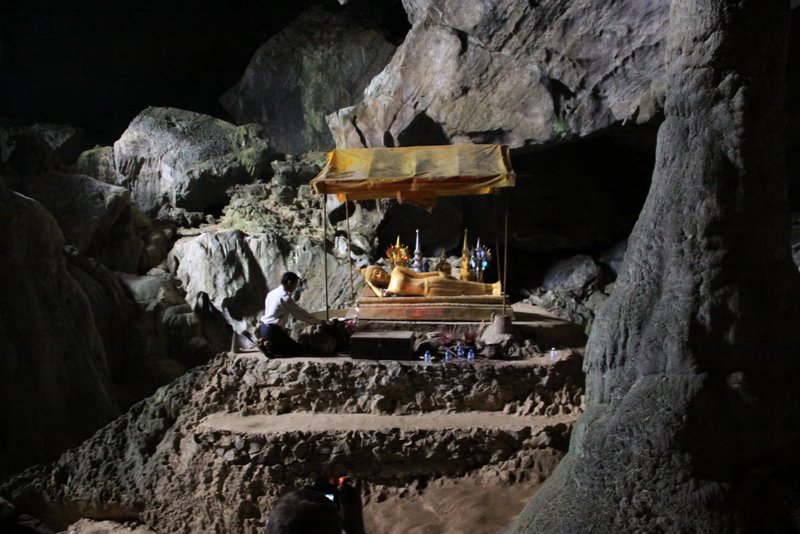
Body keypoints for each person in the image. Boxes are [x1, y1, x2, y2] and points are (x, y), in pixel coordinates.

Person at [259, 272, 323, 357]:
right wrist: (318, 322)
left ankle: (265, 341)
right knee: (296, 350)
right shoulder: (284, 297)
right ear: (289, 282)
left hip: (263, 328)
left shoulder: (271, 293)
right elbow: (300, 314)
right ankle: (270, 347)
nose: (295, 286)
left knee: (290, 345)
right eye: (295, 283)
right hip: (272, 331)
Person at [361, 265, 501, 297]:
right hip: (429, 292)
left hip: (430, 281)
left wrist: (436, 273)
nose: (378, 275)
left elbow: (417, 275)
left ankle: (491, 287)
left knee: (458, 283)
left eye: (376, 271)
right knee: (458, 292)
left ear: (381, 269)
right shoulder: (391, 290)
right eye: (374, 277)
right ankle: (487, 294)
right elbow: (382, 296)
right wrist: (370, 285)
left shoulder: (397, 270)